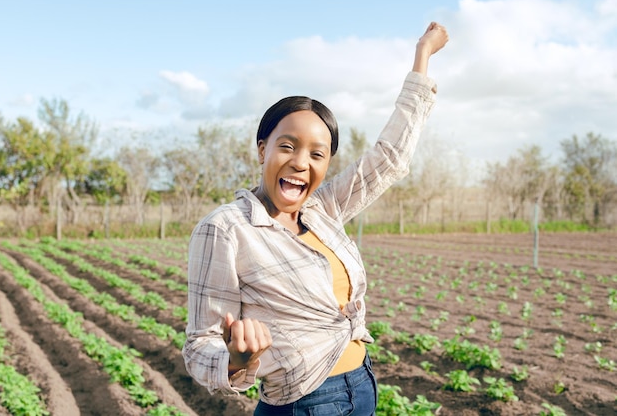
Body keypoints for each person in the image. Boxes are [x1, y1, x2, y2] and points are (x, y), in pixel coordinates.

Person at [183, 21, 448, 416]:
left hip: (361, 384)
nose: (300, 163)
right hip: (302, 402)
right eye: (286, 146)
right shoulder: (226, 228)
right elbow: (200, 344)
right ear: (262, 150)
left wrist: (422, 58)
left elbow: (390, 158)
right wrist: (237, 359)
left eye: (317, 154)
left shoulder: (323, 210)